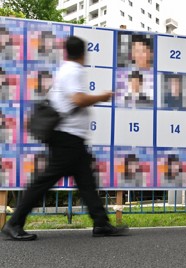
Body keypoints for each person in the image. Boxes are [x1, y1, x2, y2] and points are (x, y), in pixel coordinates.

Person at [1, 36, 128, 241]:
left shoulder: (67, 70)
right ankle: (14, 222)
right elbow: (77, 99)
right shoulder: (72, 70)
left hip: (71, 138)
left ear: (67, 51)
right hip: (66, 137)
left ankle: (101, 223)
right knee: (44, 181)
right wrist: (102, 97)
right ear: (83, 53)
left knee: (86, 181)